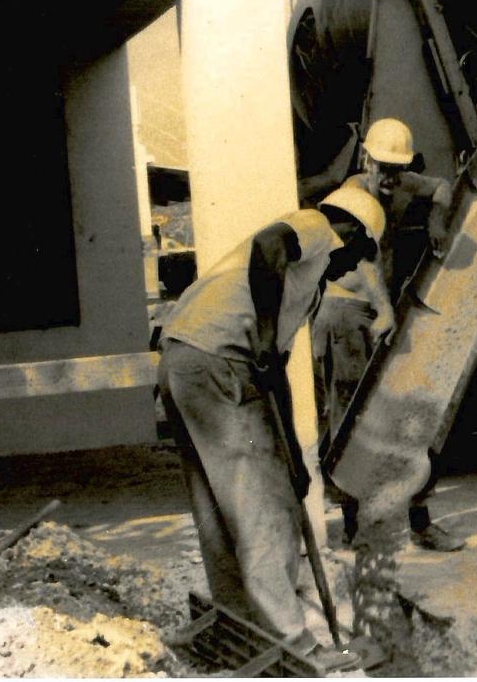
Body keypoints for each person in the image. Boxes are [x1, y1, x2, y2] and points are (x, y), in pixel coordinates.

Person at [157, 186, 386, 654]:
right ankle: (292, 638)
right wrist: (261, 338)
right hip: (222, 357)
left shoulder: (304, 287)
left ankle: (240, 624)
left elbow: (274, 369)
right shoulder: (315, 226)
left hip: (188, 356)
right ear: (355, 236)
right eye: (360, 255)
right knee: (265, 507)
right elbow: (269, 245)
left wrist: (295, 462)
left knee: (222, 508)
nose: (353, 269)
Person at [311, 117, 464, 552]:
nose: (391, 179)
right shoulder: (348, 200)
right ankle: (357, 525)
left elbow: (442, 187)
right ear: (366, 159)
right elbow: (364, 262)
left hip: (380, 312)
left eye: (398, 170)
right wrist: (382, 309)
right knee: (351, 417)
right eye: (383, 169)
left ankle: (420, 520)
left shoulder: (400, 184)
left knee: (405, 412)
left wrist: (437, 218)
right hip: (346, 314)